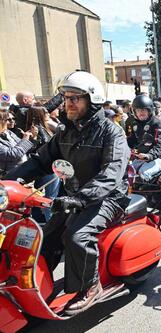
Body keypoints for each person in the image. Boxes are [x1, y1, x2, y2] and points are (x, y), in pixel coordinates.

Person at [5, 70, 130, 314]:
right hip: (73, 197)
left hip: (108, 197)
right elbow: (39, 161)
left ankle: (90, 286)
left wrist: (80, 198)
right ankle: (40, 286)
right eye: (66, 97)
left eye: (75, 98)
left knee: (76, 236)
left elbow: (111, 174)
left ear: (91, 100)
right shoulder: (66, 131)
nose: (68, 103)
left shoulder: (111, 132)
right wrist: (9, 183)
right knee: (46, 236)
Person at [126, 95, 161, 181]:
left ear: (149, 111)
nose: (141, 113)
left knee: (143, 174)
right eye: (138, 110)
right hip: (140, 158)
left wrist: (149, 155)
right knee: (126, 174)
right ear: (134, 111)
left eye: (143, 110)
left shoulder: (158, 124)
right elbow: (130, 141)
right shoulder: (132, 123)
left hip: (157, 159)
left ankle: (152, 194)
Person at [0, 111, 34, 176]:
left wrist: (33, 138)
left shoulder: (8, 132)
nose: (10, 122)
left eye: (13, 119)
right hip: (10, 173)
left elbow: (25, 149)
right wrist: (25, 139)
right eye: (7, 119)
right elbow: (12, 154)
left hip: (24, 167)